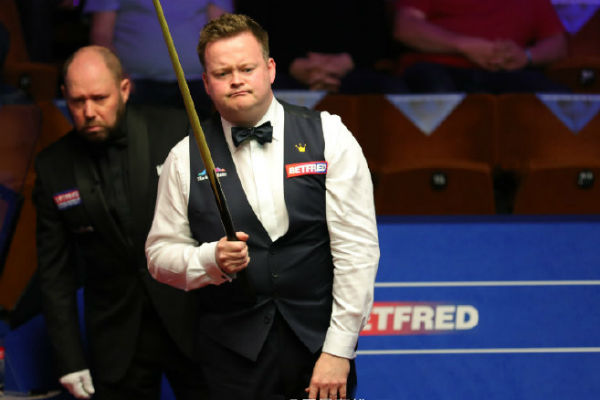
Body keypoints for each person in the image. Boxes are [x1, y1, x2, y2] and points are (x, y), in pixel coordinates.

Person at [145, 13, 380, 400]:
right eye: (222, 73)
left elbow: (357, 250)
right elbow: (159, 255)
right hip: (231, 359)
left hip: (318, 349)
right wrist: (209, 259)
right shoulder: (183, 158)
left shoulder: (329, 136)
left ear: (270, 69)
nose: (236, 79)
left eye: (246, 68)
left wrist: (339, 350)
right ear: (206, 83)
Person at [33, 45, 206, 400]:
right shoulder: (53, 166)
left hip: (191, 322)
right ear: (65, 96)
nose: (89, 112)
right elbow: (55, 274)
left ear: (124, 89)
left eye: (100, 98)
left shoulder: (174, 129)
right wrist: (69, 358)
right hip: (116, 338)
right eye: (77, 101)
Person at [84, 0, 232, 117]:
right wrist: (117, 75)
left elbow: (220, 34)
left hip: (197, 84)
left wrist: (221, 77)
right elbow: (101, 35)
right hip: (136, 85)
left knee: (197, 144)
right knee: (141, 144)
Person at [393, 0, 569, 93]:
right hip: (440, 67)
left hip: (507, 73)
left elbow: (557, 43)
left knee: (556, 99)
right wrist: (464, 46)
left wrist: (527, 56)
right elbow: (405, 27)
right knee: (437, 94)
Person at [235, 0, 405, 93]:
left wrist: (347, 61)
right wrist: (292, 63)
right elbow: (250, 29)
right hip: (282, 69)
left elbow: (379, 34)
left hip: (352, 68)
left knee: (392, 92)